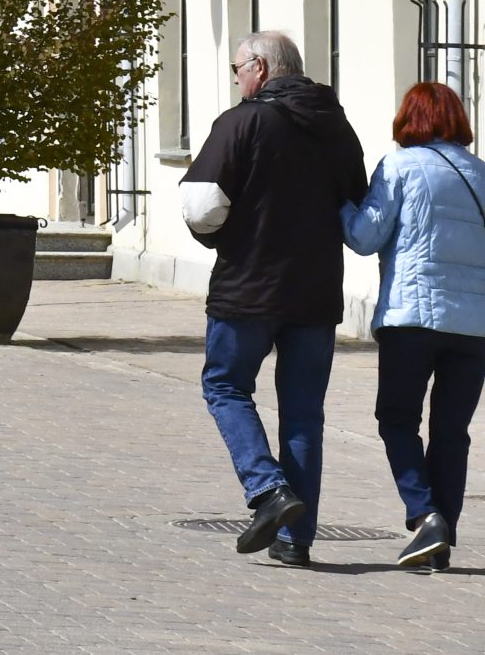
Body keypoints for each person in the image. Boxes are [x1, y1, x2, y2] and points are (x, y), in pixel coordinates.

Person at [182, 29, 369, 568]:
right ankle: (295, 540)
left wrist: (224, 236)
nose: (236, 79)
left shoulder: (241, 122)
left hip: (248, 288)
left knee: (224, 386)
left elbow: (200, 206)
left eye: (238, 68)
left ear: (260, 68)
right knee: (304, 414)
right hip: (315, 293)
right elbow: (357, 205)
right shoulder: (336, 127)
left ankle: (267, 489)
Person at [341, 79, 485, 570]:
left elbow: (364, 237)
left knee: (398, 419)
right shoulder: (481, 173)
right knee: (452, 431)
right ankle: (439, 537)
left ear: (410, 119)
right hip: (474, 327)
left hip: (413, 318)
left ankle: (426, 515)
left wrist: (340, 202)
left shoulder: (400, 166)